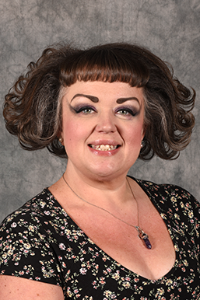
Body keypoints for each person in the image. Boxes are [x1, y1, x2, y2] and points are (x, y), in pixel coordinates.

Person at [0, 42, 199, 299]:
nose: (106, 126)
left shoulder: (182, 207)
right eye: (86, 109)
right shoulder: (26, 233)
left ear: (145, 126)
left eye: (125, 110)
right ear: (58, 124)